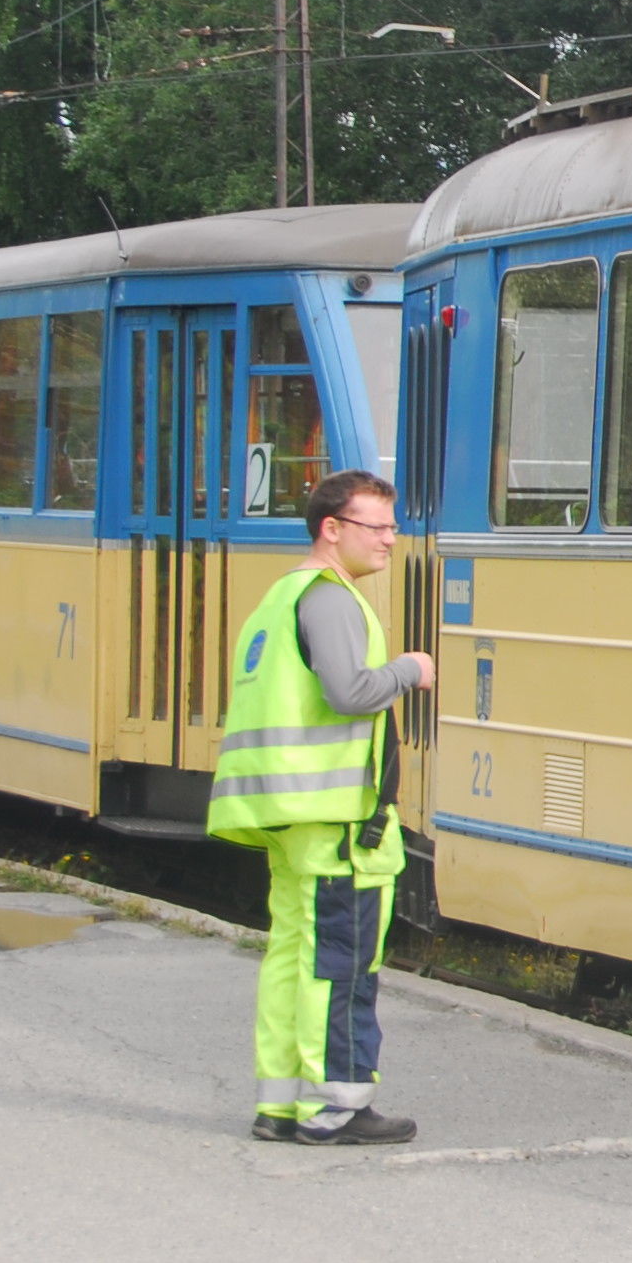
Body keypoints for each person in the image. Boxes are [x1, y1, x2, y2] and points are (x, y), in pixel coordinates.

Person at [211, 468, 437, 1144]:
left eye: (394, 527)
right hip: (336, 822)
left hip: (289, 815)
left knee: (290, 957)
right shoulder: (332, 601)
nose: (391, 541)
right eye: (378, 527)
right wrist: (410, 670)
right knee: (339, 962)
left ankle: (281, 1102)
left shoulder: (279, 599)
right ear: (332, 529)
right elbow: (349, 691)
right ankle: (335, 1105)